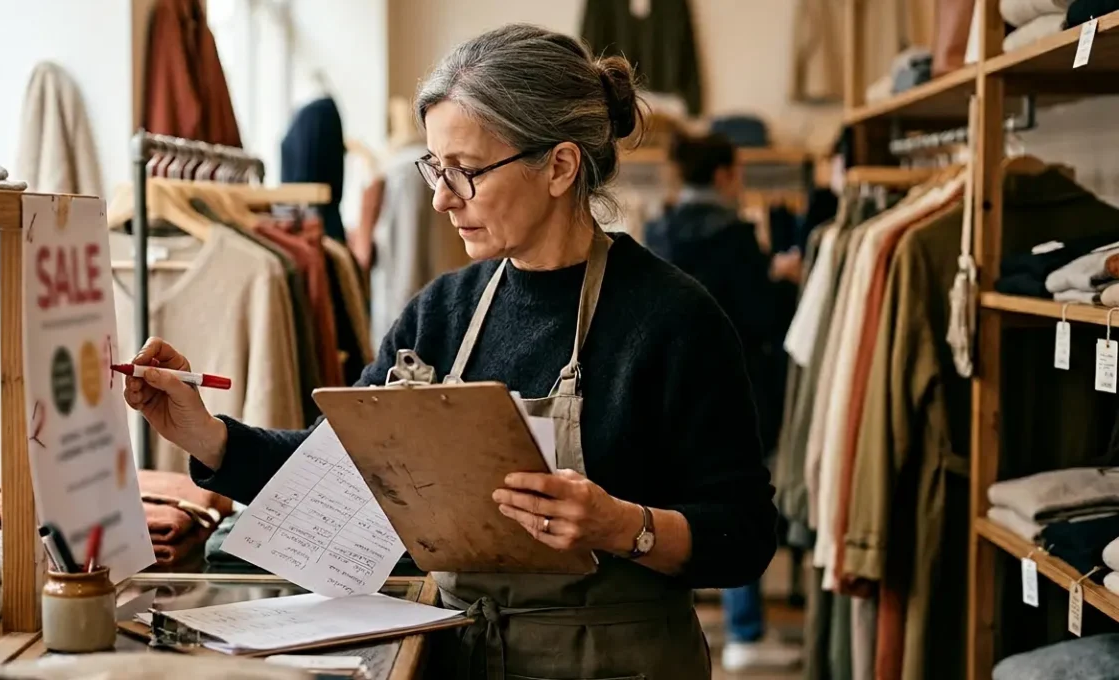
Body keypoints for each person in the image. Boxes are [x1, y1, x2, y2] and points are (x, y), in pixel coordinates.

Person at [124, 24, 777, 680]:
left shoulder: (673, 320)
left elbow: (743, 536)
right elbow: (336, 472)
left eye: (465, 172)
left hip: (613, 663)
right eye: (435, 169)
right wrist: (205, 435)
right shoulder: (443, 312)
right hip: (453, 656)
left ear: (559, 166)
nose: (440, 198)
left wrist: (622, 526)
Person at [644, 133, 803, 672]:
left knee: (670, 502)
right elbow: (758, 318)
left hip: (661, 387)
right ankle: (745, 630)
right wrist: (782, 281)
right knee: (735, 496)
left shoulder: (658, 229)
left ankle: (689, 618)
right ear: (722, 175)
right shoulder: (734, 235)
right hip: (733, 384)